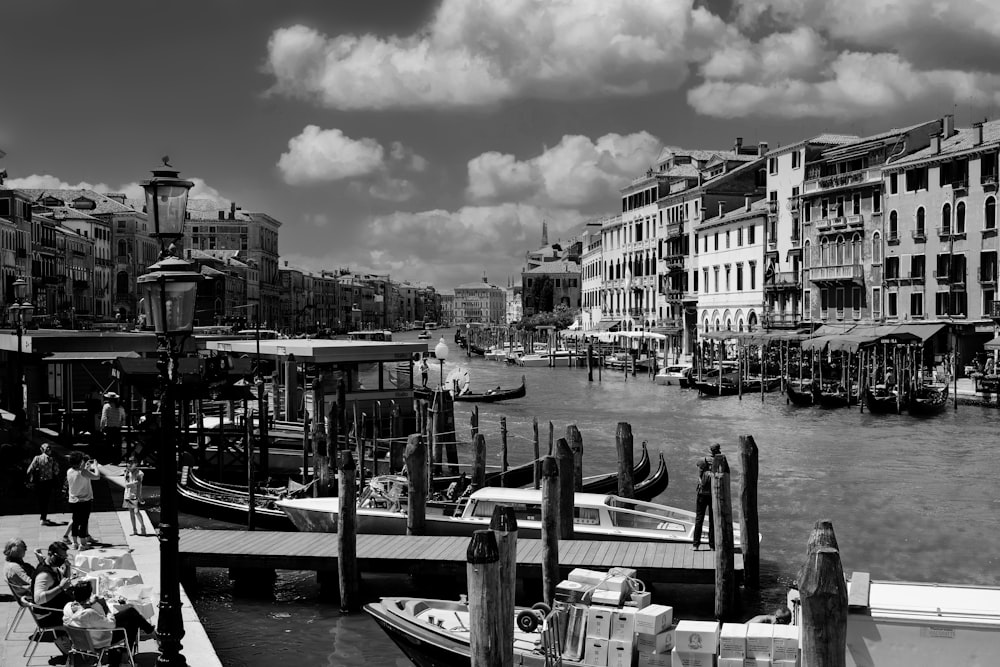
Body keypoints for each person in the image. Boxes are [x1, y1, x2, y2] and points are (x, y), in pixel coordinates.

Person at [63, 580, 155, 666]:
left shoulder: (68, 607)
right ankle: (128, 656)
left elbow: (87, 617)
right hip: (100, 640)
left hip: (81, 640)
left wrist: (90, 604)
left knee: (131, 614)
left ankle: (147, 632)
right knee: (132, 620)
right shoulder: (89, 613)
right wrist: (105, 606)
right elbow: (111, 624)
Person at [31, 541, 76, 665]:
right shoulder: (44, 574)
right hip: (47, 615)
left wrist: (67, 568)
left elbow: (63, 580)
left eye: (64, 556)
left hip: (55, 610)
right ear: (50, 554)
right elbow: (38, 599)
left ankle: (68, 644)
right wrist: (60, 588)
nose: (62, 559)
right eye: (60, 556)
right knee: (81, 617)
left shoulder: (52, 567)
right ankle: (72, 650)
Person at [66, 451, 101, 549]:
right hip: (84, 501)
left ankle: (74, 543)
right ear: (80, 461)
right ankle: (83, 543)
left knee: (75, 521)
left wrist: (87, 467)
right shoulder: (83, 472)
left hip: (73, 500)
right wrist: (96, 466)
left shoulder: (69, 471)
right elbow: (97, 476)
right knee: (84, 522)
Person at [26, 443, 61, 526]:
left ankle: (42, 517)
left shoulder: (37, 458)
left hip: (39, 482)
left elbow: (29, 470)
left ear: (41, 450)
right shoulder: (52, 459)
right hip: (48, 483)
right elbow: (56, 471)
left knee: (40, 500)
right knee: (46, 500)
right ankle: (43, 518)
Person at [692, 458, 715, 550]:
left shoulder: (702, 461)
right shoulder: (718, 462)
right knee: (712, 521)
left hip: (702, 495)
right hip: (712, 495)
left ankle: (696, 545)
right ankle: (712, 545)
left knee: (699, 519)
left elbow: (698, 466)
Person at [123, 459, 147, 536]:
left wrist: (140, 496)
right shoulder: (126, 471)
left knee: (136, 512)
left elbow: (139, 486)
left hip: (135, 495)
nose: (129, 465)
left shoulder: (139, 473)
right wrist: (133, 483)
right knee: (131, 513)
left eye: (131, 463)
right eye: (128, 463)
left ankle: (143, 526)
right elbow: (126, 484)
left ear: (135, 464)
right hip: (128, 494)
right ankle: (134, 530)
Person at [100, 392, 126, 462]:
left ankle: (109, 459)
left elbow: (103, 418)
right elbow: (124, 418)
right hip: (118, 428)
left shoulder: (107, 406)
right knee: (118, 445)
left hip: (109, 428)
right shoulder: (120, 407)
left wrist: (102, 427)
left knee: (108, 445)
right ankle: (117, 459)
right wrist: (121, 425)